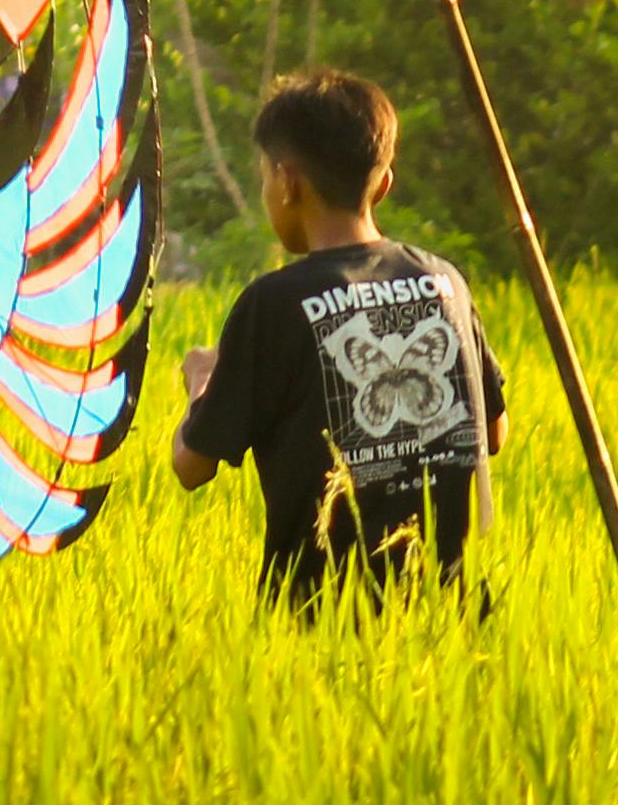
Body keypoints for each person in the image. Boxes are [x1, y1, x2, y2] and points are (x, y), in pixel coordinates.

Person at [172, 67, 507, 600]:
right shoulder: (444, 282)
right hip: (450, 615)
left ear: (287, 182)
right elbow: (493, 433)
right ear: (385, 183)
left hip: (318, 619)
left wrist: (203, 381)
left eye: (265, 178)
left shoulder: (274, 304)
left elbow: (191, 465)